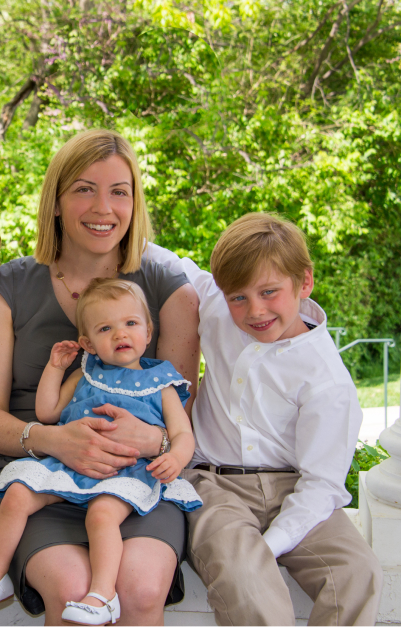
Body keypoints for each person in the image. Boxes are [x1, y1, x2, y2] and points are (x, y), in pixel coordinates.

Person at [0, 129, 201, 625]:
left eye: (119, 191)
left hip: (139, 480)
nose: (104, 207)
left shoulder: (166, 287)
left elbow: (184, 414)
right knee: (73, 592)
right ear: (55, 201)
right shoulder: (9, 286)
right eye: (84, 189)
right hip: (38, 478)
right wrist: (54, 440)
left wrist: (154, 441)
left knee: (139, 588)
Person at [146, 212, 384, 625]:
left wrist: (271, 543)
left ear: (304, 282)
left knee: (356, 574)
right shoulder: (218, 306)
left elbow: (322, 487)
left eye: (270, 292)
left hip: (297, 488)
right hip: (215, 483)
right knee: (248, 582)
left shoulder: (327, 381)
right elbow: (170, 261)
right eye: (238, 297)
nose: (254, 310)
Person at [0, 278, 201, 625]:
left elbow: (182, 434)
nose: (120, 334)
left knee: (102, 516)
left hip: (123, 473)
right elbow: (47, 412)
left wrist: (175, 457)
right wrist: (55, 369)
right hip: (69, 466)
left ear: (148, 332)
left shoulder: (160, 383)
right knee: (17, 494)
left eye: (131, 324)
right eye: (106, 328)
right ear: (88, 342)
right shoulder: (86, 373)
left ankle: (102, 594)